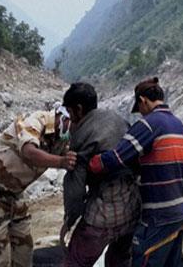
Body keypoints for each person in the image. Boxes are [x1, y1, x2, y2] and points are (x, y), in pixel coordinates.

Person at [89, 77, 183, 267]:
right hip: (180, 211)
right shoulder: (178, 124)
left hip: (159, 214)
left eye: (139, 108)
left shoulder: (149, 124)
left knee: (144, 259)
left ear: (143, 100)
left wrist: (91, 163)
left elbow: (116, 158)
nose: (140, 113)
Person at [0, 103, 77, 267]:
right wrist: (62, 162)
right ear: (65, 116)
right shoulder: (34, 121)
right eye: (76, 123)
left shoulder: (62, 138)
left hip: (15, 195)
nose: (76, 129)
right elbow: (29, 152)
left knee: (24, 252)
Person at [61, 82, 141, 267]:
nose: (71, 119)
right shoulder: (119, 120)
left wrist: (70, 220)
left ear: (79, 109)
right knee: (119, 260)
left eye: (71, 113)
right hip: (132, 208)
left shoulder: (83, 133)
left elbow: (75, 188)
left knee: (75, 260)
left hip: (103, 214)